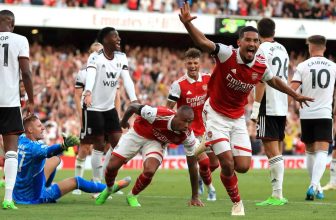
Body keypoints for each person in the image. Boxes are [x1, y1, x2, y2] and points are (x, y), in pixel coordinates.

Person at [179, 2, 313, 216]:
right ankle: (237, 203)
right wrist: (188, 25)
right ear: (239, 42)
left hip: (236, 118)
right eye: (248, 40)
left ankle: (208, 142)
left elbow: (274, 81)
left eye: (256, 41)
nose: (252, 44)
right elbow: (203, 42)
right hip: (214, 113)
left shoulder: (261, 63)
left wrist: (295, 94)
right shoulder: (225, 54)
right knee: (227, 162)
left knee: (242, 166)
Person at [95, 103, 204, 207]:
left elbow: (192, 165)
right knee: (112, 166)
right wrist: (123, 122)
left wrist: (195, 196)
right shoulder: (157, 114)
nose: (186, 125)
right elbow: (133, 107)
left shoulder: (188, 136)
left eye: (189, 122)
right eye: (184, 121)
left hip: (156, 142)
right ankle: (109, 189)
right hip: (137, 133)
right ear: (176, 116)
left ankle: (132, 196)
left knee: (150, 170)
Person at [13, 115, 131, 205]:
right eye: (39, 126)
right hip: (34, 198)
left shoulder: (21, 139)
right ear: (30, 130)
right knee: (77, 181)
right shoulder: (35, 148)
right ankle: (110, 187)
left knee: (55, 160)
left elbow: (50, 154)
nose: (43, 128)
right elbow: (49, 151)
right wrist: (63, 145)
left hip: (18, 195)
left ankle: (47, 186)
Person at [82, 27, 138, 185]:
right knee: (99, 145)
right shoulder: (95, 57)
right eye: (115, 37)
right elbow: (91, 75)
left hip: (109, 108)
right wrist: (87, 91)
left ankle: (107, 180)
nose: (119, 39)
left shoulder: (121, 57)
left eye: (119, 36)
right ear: (105, 40)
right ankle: (96, 182)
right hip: (93, 107)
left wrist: (133, 99)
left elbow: (126, 79)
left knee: (119, 146)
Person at [166, 47, 218, 201]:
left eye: (195, 63)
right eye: (190, 63)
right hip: (190, 131)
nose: (193, 66)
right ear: (185, 64)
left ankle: (201, 179)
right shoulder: (178, 85)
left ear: (200, 63)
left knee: (214, 164)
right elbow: (168, 108)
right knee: (205, 161)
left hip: (207, 128)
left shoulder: (208, 79)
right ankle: (211, 190)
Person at [72, 42, 122, 195]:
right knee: (85, 148)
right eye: (95, 51)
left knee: (111, 148)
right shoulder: (83, 73)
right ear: (90, 54)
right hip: (90, 113)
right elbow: (77, 95)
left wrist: (117, 116)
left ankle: (105, 183)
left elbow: (117, 96)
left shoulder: (112, 70)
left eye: (101, 51)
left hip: (108, 113)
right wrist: (81, 116)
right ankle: (78, 183)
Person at [291, 35, 336, 200]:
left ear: (310, 47)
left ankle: (315, 187)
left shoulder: (302, 66)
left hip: (306, 113)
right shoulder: (333, 66)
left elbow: (293, 88)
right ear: (324, 47)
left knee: (310, 151)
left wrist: (295, 101)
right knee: (322, 150)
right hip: (324, 113)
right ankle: (314, 185)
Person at [250, 18, 289, 206]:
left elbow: (260, 79)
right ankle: (278, 193)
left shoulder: (261, 50)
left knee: (271, 150)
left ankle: (277, 195)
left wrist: (256, 107)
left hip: (268, 102)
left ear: (258, 33)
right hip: (282, 103)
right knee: (276, 150)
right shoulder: (283, 49)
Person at [0, 10, 34, 209]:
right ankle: (7, 199)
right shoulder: (20, 40)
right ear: (12, 24)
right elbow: (27, 73)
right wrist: (30, 99)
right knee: (11, 151)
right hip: (9, 102)